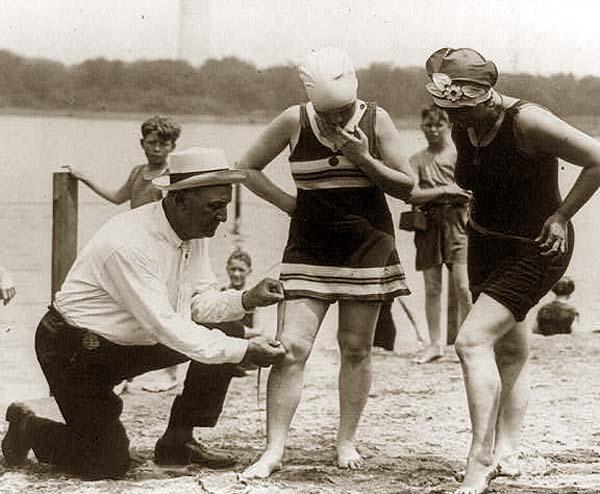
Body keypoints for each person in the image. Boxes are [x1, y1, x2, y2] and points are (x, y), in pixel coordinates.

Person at [1, 147, 286, 479]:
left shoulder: (193, 228)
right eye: (215, 207)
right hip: (73, 349)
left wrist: (247, 299)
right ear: (179, 200)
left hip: (129, 342)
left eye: (225, 205)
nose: (223, 217)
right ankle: (27, 428)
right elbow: (166, 326)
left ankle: (178, 440)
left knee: (231, 330)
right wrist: (244, 351)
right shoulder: (129, 243)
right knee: (106, 462)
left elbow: (197, 304)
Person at [424, 47, 600, 494]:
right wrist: (464, 199)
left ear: (485, 96)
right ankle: (507, 451)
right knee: (510, 351)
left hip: (537, 247)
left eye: (459, 109)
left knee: (470, 340)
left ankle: (479, 459)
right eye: (449, 111)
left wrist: (562, 215)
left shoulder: (527, 122)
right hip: (485, 243)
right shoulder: (466, 125)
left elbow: (598, 158)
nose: (453, 119)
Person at [237, 47, 414, 478]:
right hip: (309, 248)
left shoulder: (377, 119)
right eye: (329, 112)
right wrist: (292, 205)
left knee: (355, 349)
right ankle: (274, 448)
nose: (336, 119)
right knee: (290, 350)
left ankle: (346, 440)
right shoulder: (294, 120)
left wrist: (364, 159)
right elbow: (247, 168)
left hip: (367, 247)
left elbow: (407, 187)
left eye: (344, 110)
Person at [64, 114, 183, 393]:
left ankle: (169, 373)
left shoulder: (171, 177)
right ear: (142, 143)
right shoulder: (137, 172)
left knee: (164, 308)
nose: (156, 149)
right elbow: (117, 197)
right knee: (127, 309)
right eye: (151, 143)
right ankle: (123, 376)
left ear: (172, 147)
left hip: (162, 249)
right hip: (133, 248)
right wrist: (84, 178)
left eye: (163, 144)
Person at [407, 105, 472, 364]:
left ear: (448, 126)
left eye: (438, 125)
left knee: (464, 287)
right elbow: (411, 194)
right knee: (432, 287)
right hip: (429, 224)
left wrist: (450, 192)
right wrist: (446, 191)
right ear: (422, 128)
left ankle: (466, 342)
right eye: (428, 126)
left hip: (459, 223)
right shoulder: (416, 160)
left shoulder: (459, 157)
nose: (433, 130)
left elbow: (470, 191)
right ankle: (435, 345)